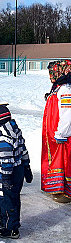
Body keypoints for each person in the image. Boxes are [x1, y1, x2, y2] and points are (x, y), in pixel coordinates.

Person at [0, 105, 32, 239]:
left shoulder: (2, 138)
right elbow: (24, 151)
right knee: (14, 198)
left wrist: (5, 179)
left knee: (6, 200)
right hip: (19, 170)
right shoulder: (16, 131)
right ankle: (12, 224)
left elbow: (6, 161)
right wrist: (27, 168)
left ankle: (9, 229)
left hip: (8, 173)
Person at [41, 60, 71, 203]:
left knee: (65, 162)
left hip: (63, 135)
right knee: (56, 160)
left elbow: (67, 114)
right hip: (53, 134)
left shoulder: (66, 90)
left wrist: (61, 133)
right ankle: (57, 188)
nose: (51, 76)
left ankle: (66, 192)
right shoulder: (58, 88)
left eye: (53, 72)